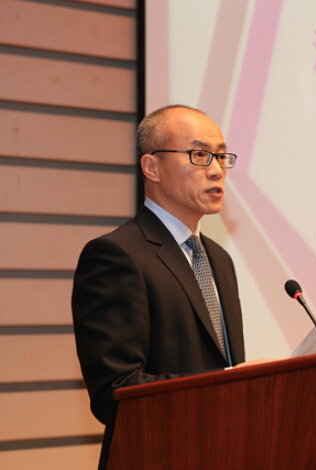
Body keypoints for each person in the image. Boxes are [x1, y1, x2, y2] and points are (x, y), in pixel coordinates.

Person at [72, 105, 246, 470]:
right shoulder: (116, 256)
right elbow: (115, 390)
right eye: (199, 155)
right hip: (156, 456)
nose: (216, 169)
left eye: (221, 156)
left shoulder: (219, 259)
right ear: (151, 167)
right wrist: (228, 384)